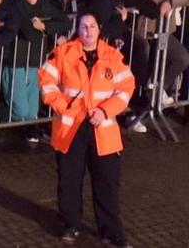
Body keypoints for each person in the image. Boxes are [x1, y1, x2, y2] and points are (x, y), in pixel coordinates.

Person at [38, 13, 134, 246]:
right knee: (69, 180)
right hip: (71, 128)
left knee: (108, 181)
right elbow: (46, 82)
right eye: (83, 26)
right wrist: (66, 105)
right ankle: (70, 224)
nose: (88, 30)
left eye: (92, 26)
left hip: (102, 128)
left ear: (99, 29)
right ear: (77, 29)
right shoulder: (63, 53)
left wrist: (105, 111)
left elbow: (126, 88)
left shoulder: (113, 56)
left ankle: (110, 230)